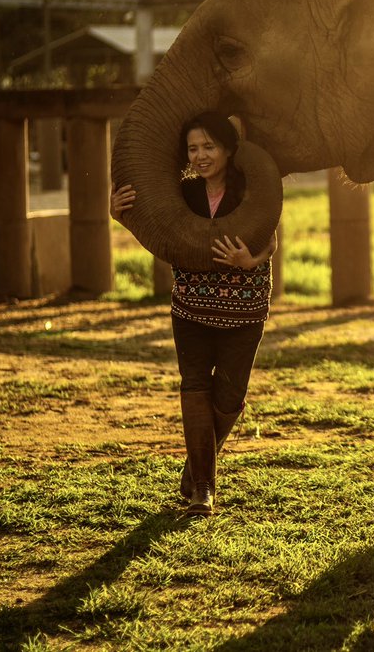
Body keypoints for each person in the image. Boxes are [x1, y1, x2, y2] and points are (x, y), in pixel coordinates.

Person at [110, 111, 274, 517]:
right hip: (191, 305)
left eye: (209, 147)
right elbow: (159, 229)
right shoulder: (183, 193)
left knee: (231, 396)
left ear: (227, 148)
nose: (201, 156)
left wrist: (248, 259)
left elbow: (269, 238)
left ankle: (198, 463)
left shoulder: (248, 189)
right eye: (193, 148)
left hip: (245, 308)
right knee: (195, 387)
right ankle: (204, 487)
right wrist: (121, 214)